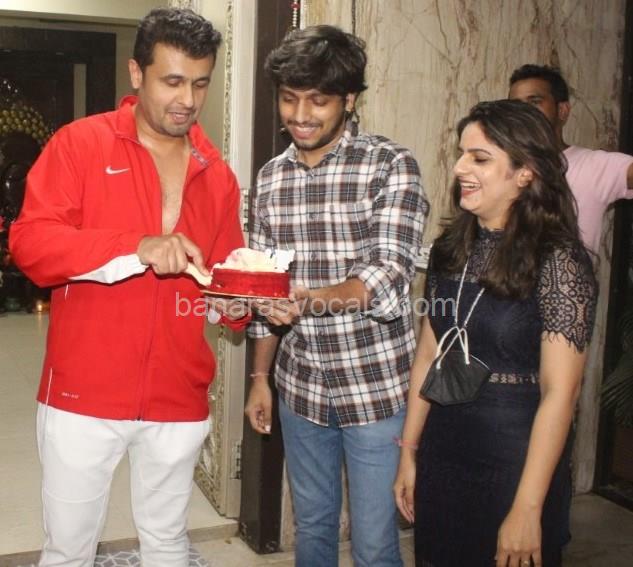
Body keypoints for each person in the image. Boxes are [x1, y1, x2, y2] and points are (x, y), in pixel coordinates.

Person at [9, 8, 249, 567]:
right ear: (136, 73)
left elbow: (224, 280)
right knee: (68, 550)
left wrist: (241, 304)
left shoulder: (218, 175)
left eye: (200, 83)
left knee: (167, 543)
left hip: (179, 394)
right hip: (83, 393)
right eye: (172, 81)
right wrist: (135, 246)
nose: (187, 100)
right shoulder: (80, 144)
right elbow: (32, 245)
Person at [244, 25, 428, 567]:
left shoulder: (390, 165)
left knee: (374, 545)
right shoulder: (270, 179)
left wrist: (306, 300)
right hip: (300, 389)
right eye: (289, 98)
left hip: (375, 392)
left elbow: (386, 276)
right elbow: (264, 285)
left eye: (317, 100)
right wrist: (260, 378)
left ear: (348, 99)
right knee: (313, 530)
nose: (300, 115)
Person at [393, 100, 597, 567]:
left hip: (516, 460)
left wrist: (528, 507)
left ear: (525, 172)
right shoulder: (450, 249)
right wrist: (408, 452)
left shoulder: (559, 261)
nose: (460, 168)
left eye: (480, 158)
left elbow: (561, 394)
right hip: (443, 450)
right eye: (462, 154)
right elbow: (428, 355)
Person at [508, 63, 633, 253]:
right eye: (516, 105)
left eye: (534, 101)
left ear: (562, 111)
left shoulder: (594, 166)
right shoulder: (495, 165)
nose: (523, 112)